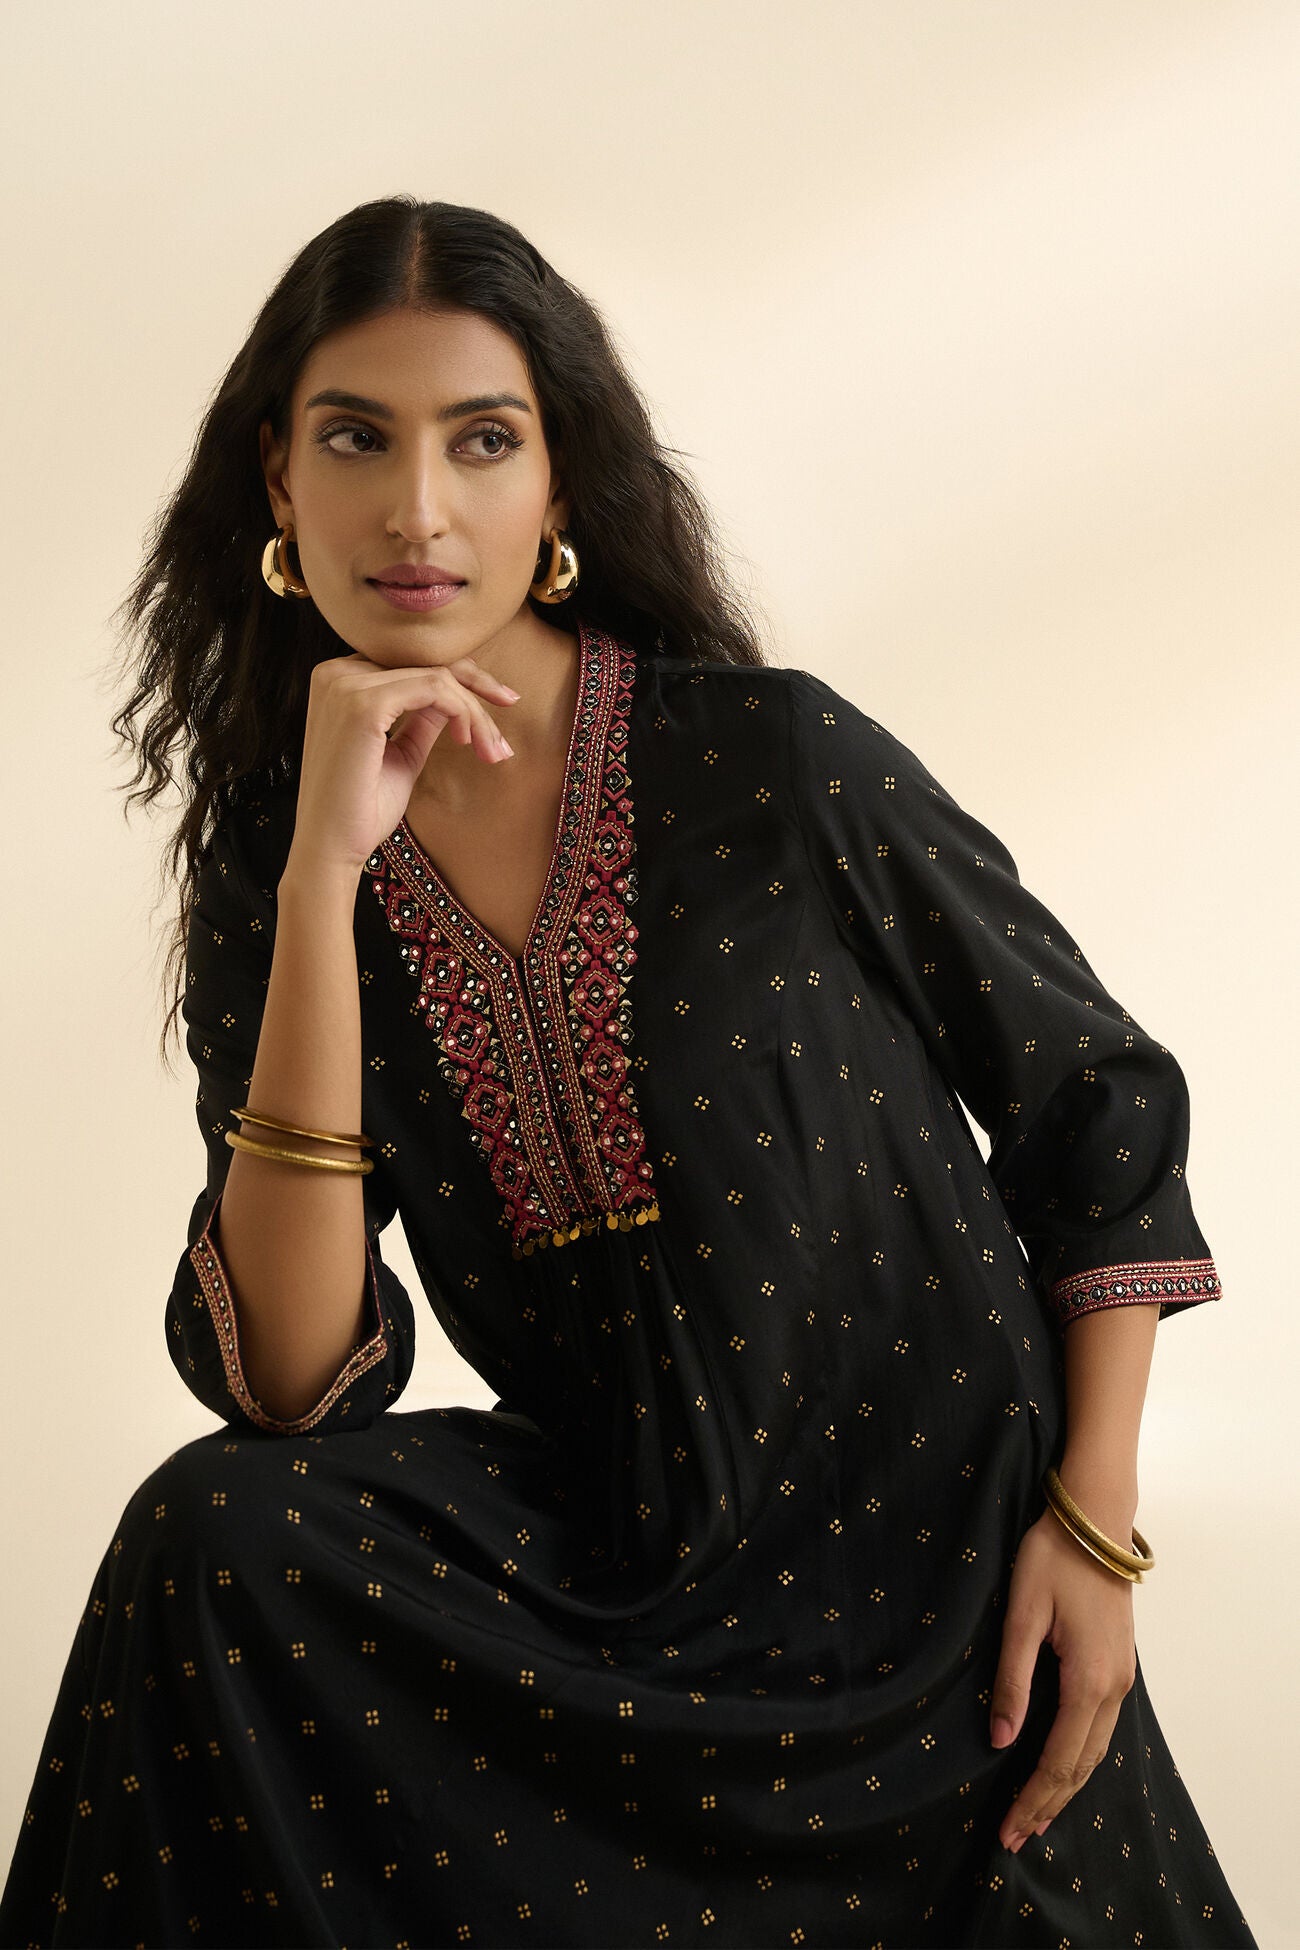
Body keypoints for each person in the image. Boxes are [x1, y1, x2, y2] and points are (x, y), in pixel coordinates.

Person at [0, 195, 1256, 1950]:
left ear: (563, 489)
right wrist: (311, 881)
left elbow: (1097, 1112)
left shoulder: (776, 761)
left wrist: (1098, 1527)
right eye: (353, 439)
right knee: (211, 1537)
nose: (416, 508)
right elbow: (290, 1382)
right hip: (618, 1582)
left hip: (942, 1591)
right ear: (275, 489)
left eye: (482, 441)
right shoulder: (284, 886)